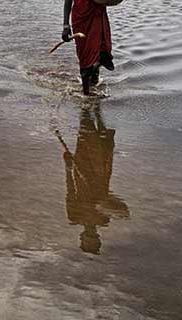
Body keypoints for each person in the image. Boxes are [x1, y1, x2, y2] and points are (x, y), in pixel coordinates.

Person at [61, 103, 129, 254]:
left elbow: (70, 190)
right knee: (102, 138)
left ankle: (87, 105)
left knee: (86, 131)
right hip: (101, 174)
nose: (92, 237)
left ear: (82, 237)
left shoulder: (75, 216)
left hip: (83, 171)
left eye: (89, 240)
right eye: (94, 240)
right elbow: (122, 209)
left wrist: (68, 167)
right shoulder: (103, 219)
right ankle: (94, 106)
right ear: (98, 237)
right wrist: (102, 203)